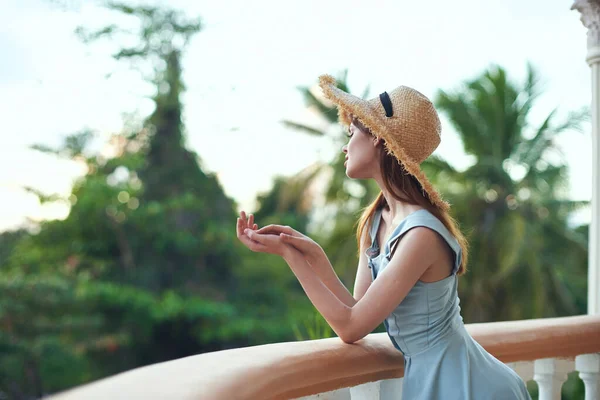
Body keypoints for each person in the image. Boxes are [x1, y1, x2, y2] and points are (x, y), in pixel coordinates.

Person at [235, 74, 531, 399]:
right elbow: (358, 307)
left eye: (351, 133)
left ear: (377, 137)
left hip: (470, 386)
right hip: (431, 380)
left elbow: (350, 327)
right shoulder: (377, 220)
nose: (345, 147)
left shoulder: (421, 233)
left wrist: (291, 257)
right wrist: (313, 254)